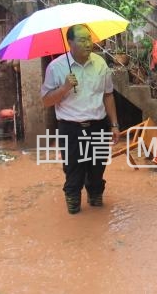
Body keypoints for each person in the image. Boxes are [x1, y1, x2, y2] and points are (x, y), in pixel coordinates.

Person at [41, 24, 120, 215]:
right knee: (73, 170)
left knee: (97, 168)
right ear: (70, 43)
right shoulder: (56, 67)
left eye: (89, 38)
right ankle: (73, 201)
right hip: (70, 128)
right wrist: (64, 88)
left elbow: (108, 95)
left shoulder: (100, 64)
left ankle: (94, 194)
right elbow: (45, 101)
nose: (88, 43)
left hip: (98, 126)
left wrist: (115, 124)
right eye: (82, 40)